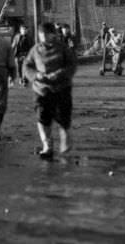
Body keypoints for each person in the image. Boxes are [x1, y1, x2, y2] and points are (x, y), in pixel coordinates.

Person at [23, 21, 77, 159]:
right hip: (41, 89)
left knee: (63, 117)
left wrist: (59, 74)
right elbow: (27, 66)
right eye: (42, 34)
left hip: (61, 88)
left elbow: (72, 65)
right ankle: (47, 145)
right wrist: (36, 75)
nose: (44, 37)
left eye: (47, 34)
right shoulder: (35, 50)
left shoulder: (63, 48)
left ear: (53, 34)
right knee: (42, 118)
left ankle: (65, 140)